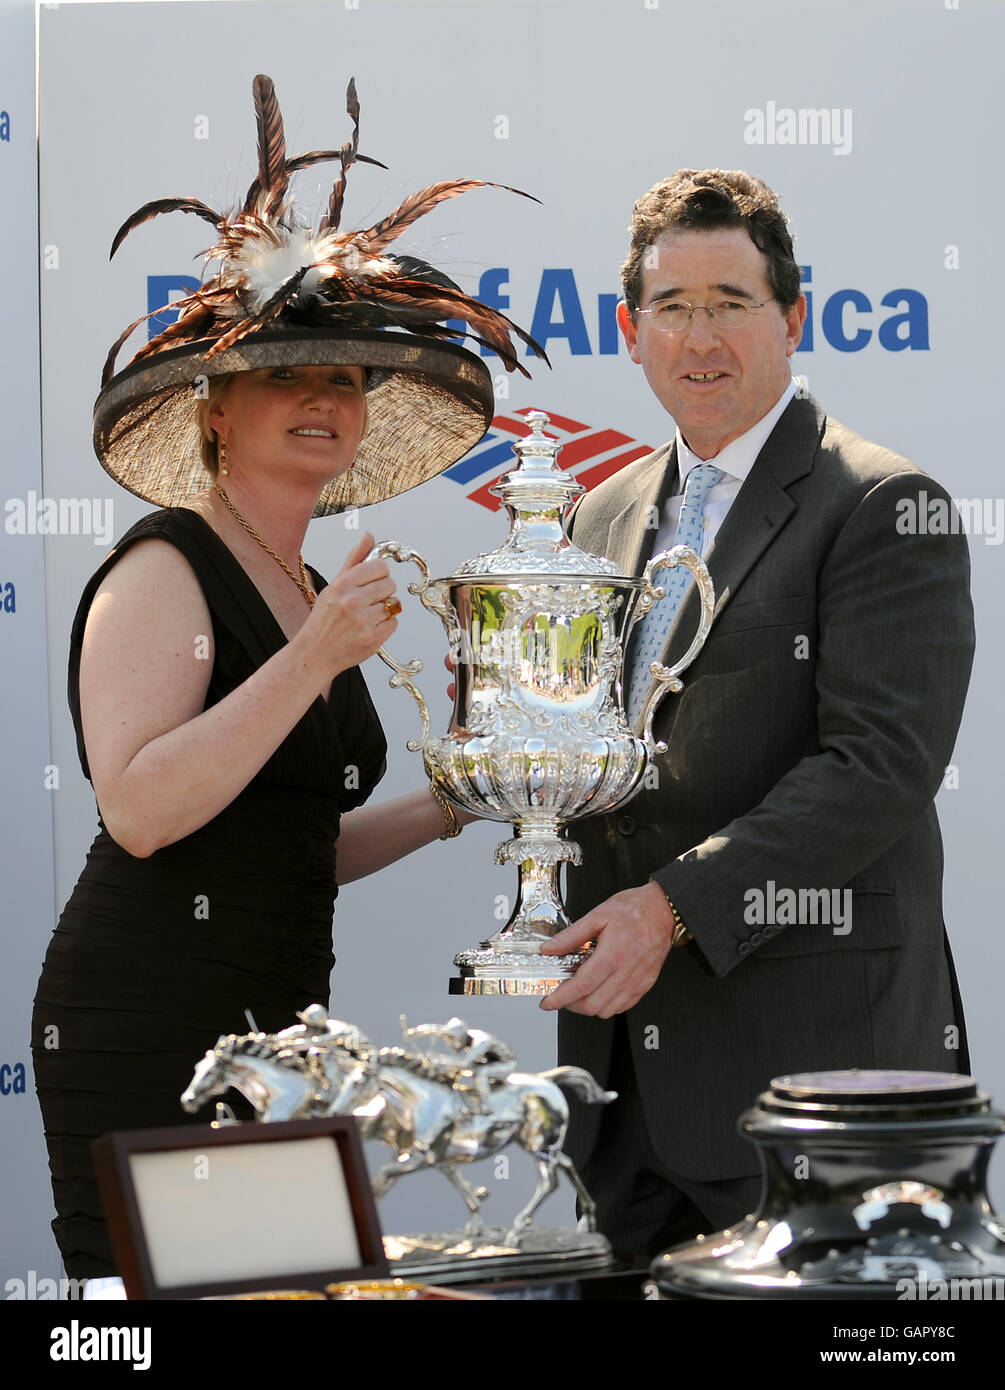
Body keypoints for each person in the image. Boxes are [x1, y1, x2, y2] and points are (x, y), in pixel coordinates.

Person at [30, 74, 540, 1280]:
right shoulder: (166, 567)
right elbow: (143, 810)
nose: (325, 396)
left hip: (281, 1023)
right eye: (288, 371)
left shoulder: (305, 582)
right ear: (214, 407)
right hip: (153, 1019)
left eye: (349, 378)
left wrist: (464, 801)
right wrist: (314, 657)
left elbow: (292, 836)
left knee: (286, 1297)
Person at [539, 169, 975, 1259]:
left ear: (794, 317)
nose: (701, 337)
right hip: (620, 1093)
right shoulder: (595, 518)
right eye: (672, 308)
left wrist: (671, 906)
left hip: (815, 1090)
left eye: (732, 303)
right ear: (632, 332)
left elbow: (877, 768)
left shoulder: (883, 503)